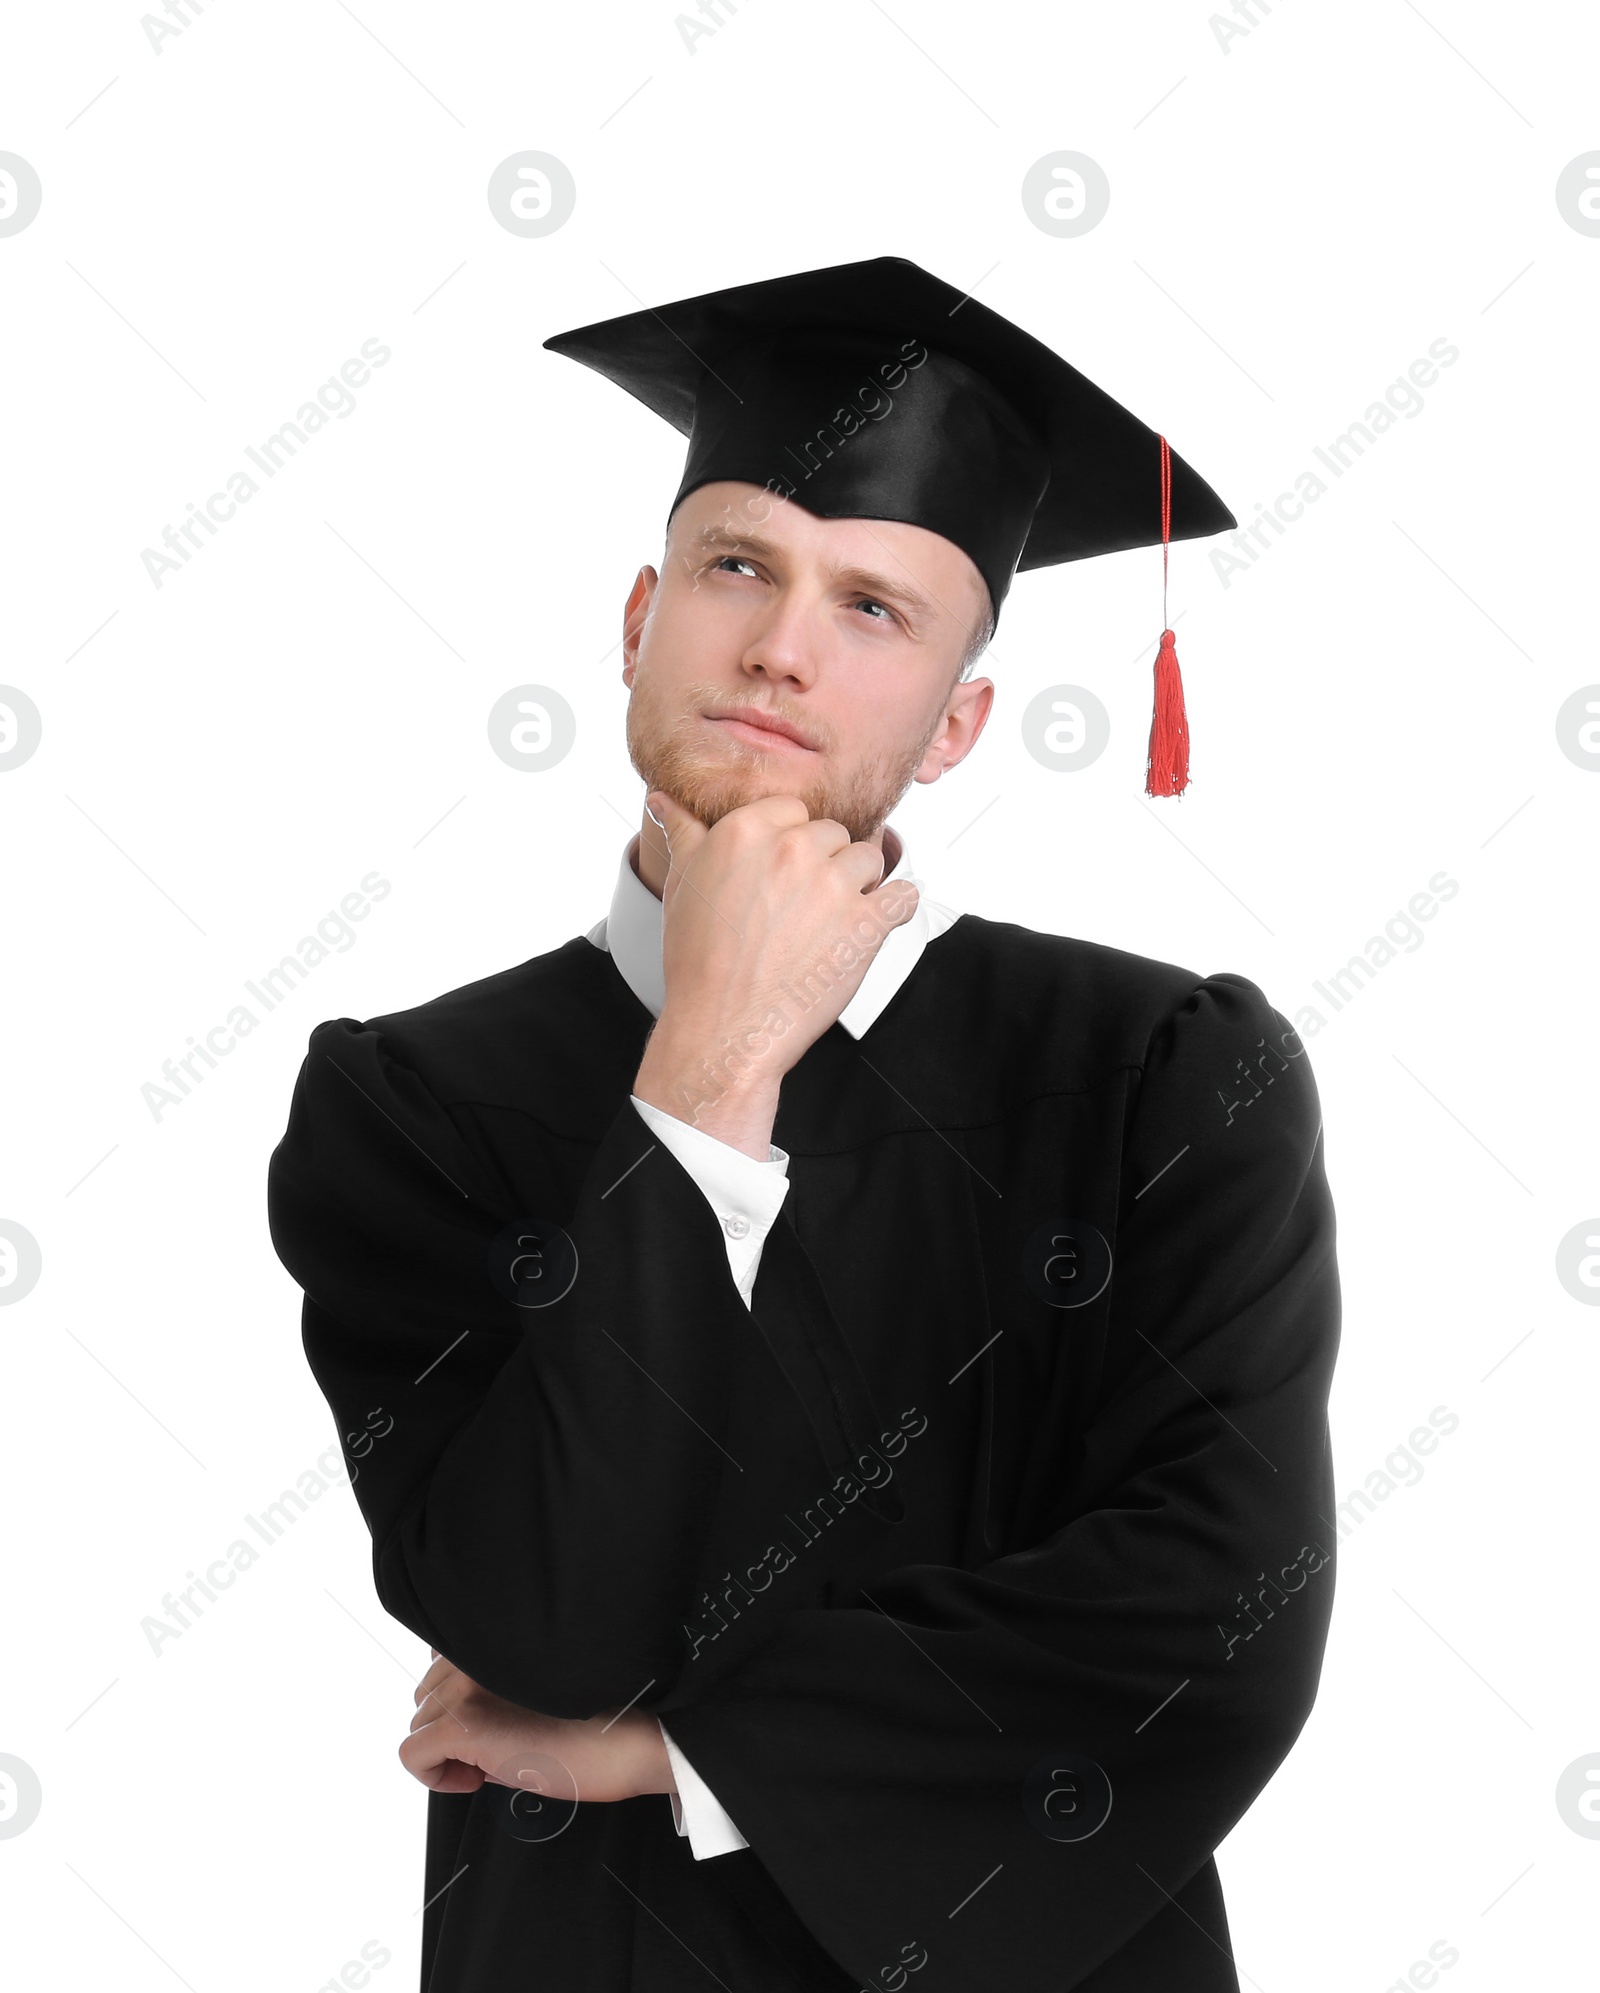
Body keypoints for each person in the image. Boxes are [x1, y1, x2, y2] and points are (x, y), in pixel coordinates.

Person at [266, 256, 1341, 1993]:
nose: (778, 644)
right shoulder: (415, 1104)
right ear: (638, 617)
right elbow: (540, 1620)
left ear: (957, 723)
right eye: (740, 564)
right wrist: (707, 1062)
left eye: (875, 609)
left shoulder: (1162, 1075)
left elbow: (1216, 1616)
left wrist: (664, 1752)